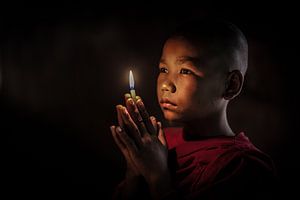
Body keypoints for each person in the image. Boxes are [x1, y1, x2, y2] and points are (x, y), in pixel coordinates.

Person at [110, 18, 277, 200]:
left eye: (185, 71)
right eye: (164, 69)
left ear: (231, 85)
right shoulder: (160, 141)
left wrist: (158, 177)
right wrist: (134, 171)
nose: (166, 85)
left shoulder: (244, 167)